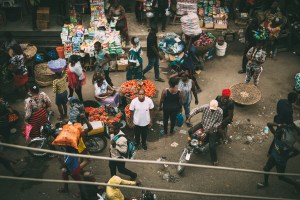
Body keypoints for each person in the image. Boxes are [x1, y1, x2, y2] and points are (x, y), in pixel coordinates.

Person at [257, 122, 300, 192]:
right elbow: (269, 124)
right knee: (266, 169)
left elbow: (297, 151)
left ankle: (296, 184)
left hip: (281, 160)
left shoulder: (287, 140)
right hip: (274, 156)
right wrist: (279, 125)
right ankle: (265, 183)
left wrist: (288, 157)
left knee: (281, 177)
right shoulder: (281, 135)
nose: (276, 133)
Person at [186, 100, 223, 165]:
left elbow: (219, 121)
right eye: (211, 109)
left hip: (212, 129)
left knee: (212, 146)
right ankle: (194, 144)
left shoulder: (220, 111)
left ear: (217, 107)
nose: (212, 110)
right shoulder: (205, 107)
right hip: (203, 124)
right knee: (190, 131)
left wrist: (213, 127)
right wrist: (189, 118)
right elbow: (196, 110)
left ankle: (215, 160)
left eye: (214, 110)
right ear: (209, 105)